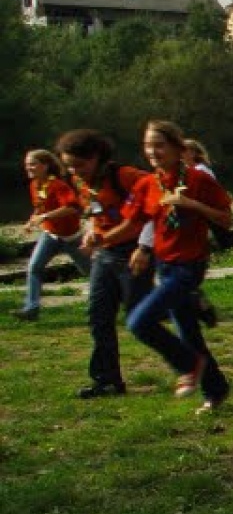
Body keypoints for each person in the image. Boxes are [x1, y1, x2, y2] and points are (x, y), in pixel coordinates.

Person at [98, 120, 233, 414]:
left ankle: (187, 365)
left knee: (139, 322)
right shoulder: (147, 184)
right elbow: (133, 224)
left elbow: (225, 219)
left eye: (159, 145)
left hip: (190, 265)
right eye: (148, 146)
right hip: (165, 265)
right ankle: (216, 389)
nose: (153, 151)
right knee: (188, 332)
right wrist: (102, 237)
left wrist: (192, 205)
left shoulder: (198, 180)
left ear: (177, 148)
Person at [57, 130, 152, 398]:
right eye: (69, 166)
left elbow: (157, 208)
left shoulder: (128, 177)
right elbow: (95, 211)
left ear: (97, 157)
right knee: (98, 316)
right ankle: (107, 380)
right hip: (105, 254)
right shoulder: (81, 181)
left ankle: (187, 301)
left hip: (134, 252)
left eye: (80, 164)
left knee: (140, 316)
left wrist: (146, 247)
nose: (75, 171)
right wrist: (90, 229)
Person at [16, 149, 90, 322]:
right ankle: (31, 309)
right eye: (27, 164)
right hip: (50, 235)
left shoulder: (58, 185)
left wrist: (45, 216)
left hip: (72, 237)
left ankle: (107, 302)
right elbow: (41, 206)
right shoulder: (35, 185)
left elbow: (73, 207)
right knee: (34, 267)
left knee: (92, 272)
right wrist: (32, 221)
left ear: (46, 166)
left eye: (33, 164)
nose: (29, 167)